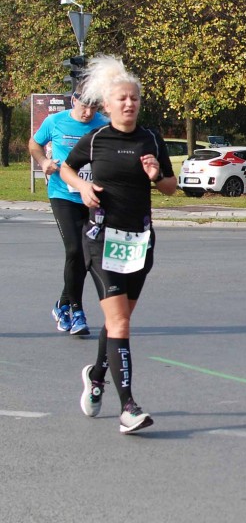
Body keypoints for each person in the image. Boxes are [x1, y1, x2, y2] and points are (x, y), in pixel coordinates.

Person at [59, 55, 177, 434]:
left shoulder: (152, 138)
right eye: (122, 99)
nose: (129, 104)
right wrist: (82, 188)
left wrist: (156, 174)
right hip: (101, 239)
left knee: (118, 321)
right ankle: (128, 405)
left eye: (135, 99)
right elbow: (66, 168)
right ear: (107, 105)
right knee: (121, 321)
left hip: (140, 241)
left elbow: (171, 188)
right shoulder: (94, 139)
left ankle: (96, 374)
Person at [29, 95, 108, 336]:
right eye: (84, 107)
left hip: (93, 197)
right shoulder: (55, 121)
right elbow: (34, 144)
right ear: (74, 100)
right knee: (74, 249)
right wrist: (43, 162)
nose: (88, 113)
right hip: (63, 194)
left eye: (94, 108)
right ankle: (76, 311)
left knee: (87, 255)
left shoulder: (104, 124)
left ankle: (62, 304)